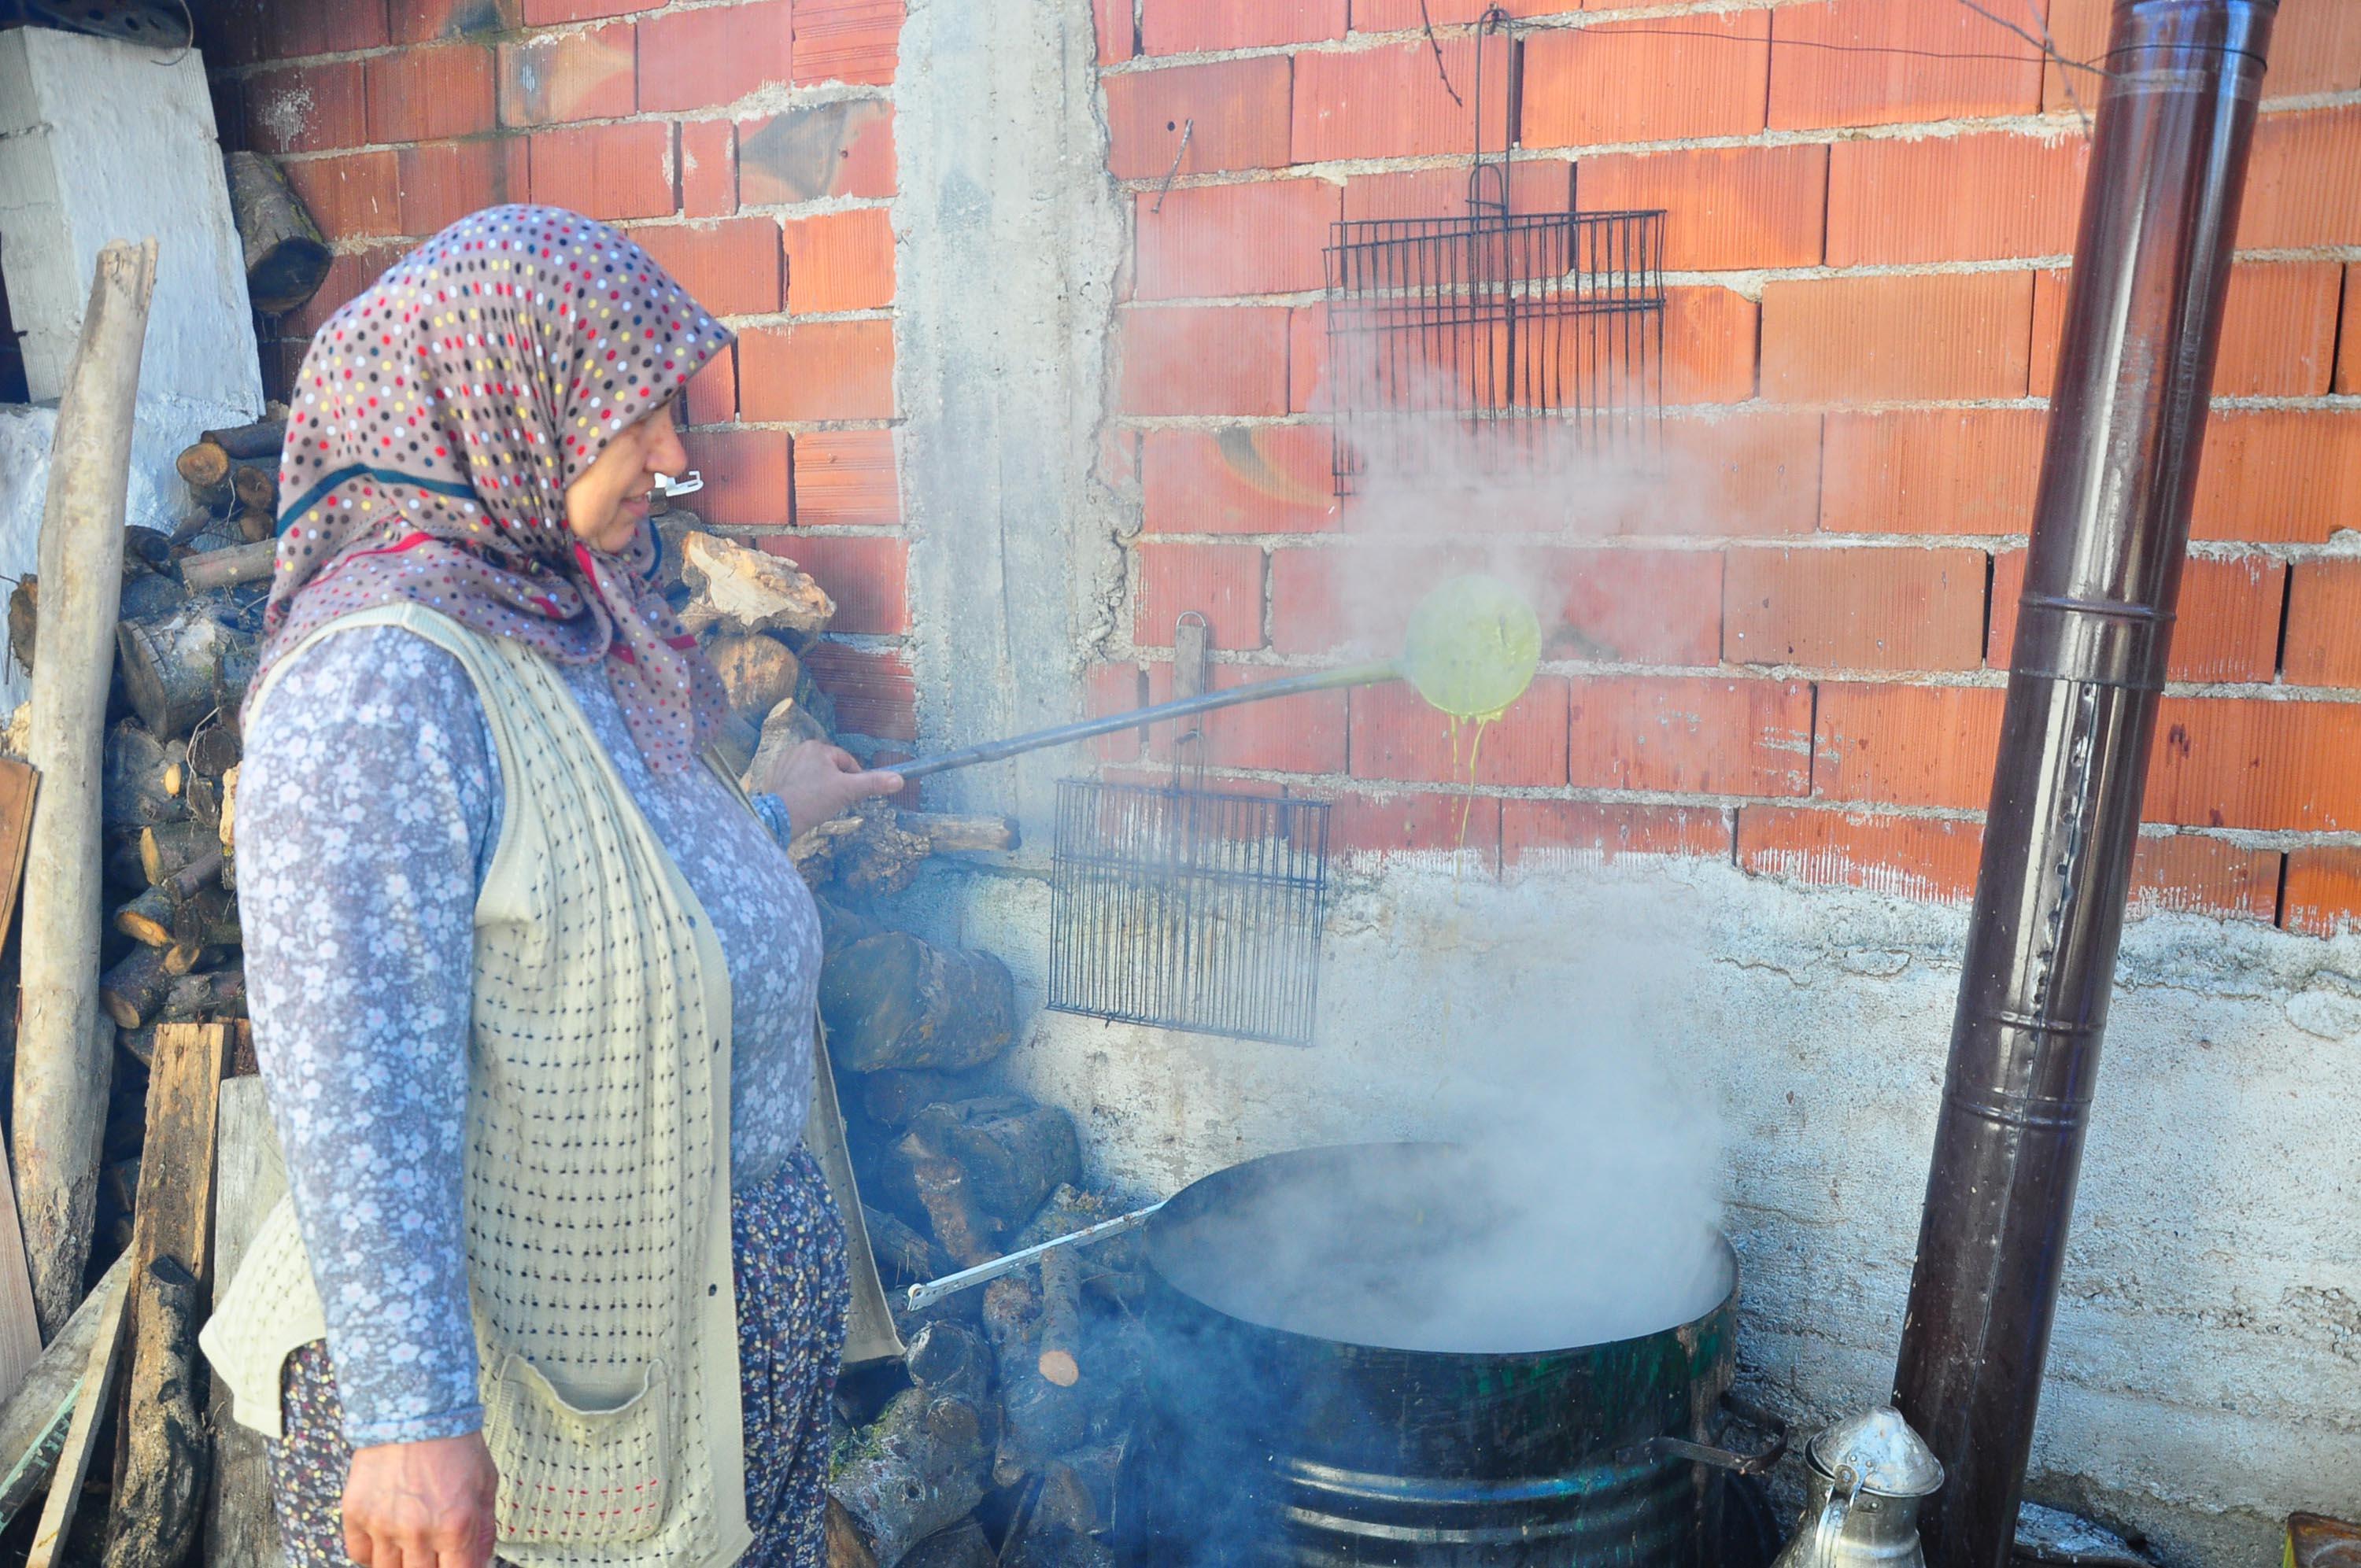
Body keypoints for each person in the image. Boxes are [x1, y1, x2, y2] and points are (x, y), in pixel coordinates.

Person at [198, 205, 901, 1568]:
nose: (675, 456)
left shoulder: (552, 613)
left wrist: (766, 819)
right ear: (499, 392)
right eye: (629, 413)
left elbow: (584, 898)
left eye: (671, 411)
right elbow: (353, 1063)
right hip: (523, 1449)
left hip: (690, 1387)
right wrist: (409, 1418)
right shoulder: (381, 680)